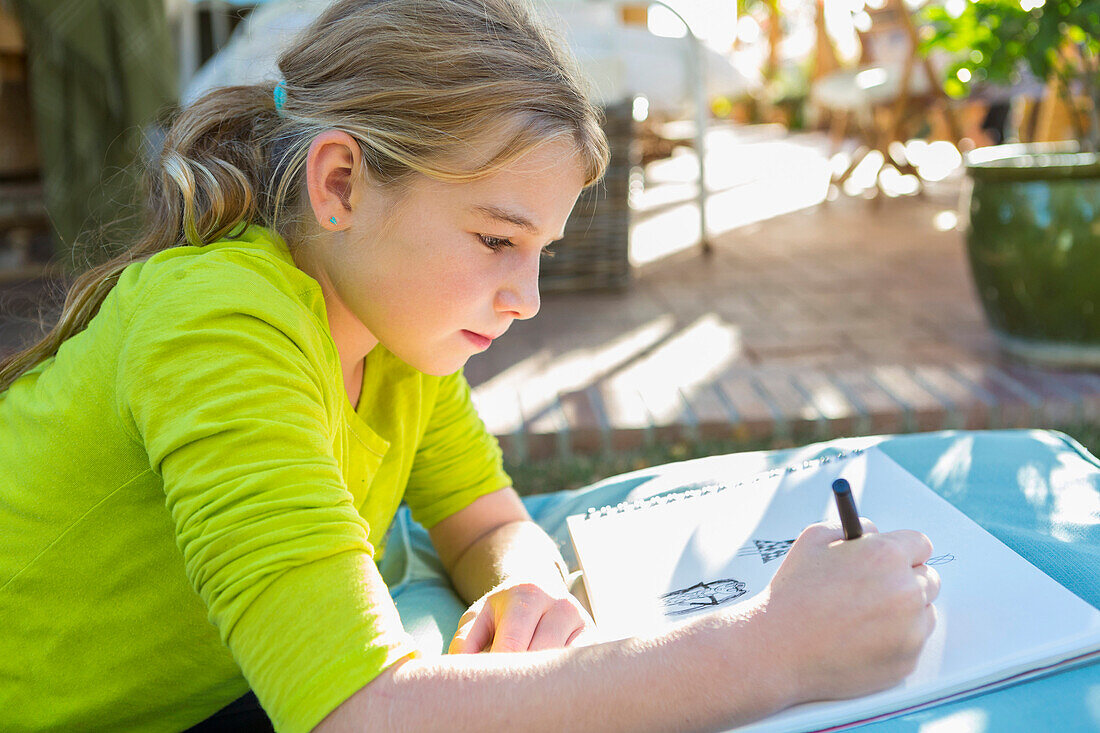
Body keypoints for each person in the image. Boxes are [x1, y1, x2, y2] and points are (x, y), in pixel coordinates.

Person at [0, 0, 940, 731]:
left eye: (541, 253)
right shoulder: (220, 322)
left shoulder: (391, 334)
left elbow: (486, 515)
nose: (526, 298)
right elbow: (358, 712)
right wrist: (772, 650)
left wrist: (517, 581)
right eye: (497, 238)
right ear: (340, 185)